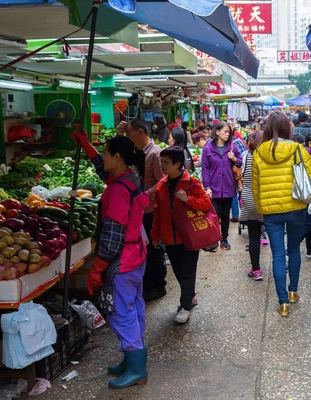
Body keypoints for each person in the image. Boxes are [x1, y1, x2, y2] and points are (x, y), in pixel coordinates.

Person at [70, 132, 149, 389]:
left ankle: (137, 368)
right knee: (134, 306)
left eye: (105, 153)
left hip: (122, 262)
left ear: (117, 157)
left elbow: (112, 238)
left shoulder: (117, 192)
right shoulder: (130, 178)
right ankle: (131, 358)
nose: (102, 158)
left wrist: (96, 270)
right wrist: (87, 146)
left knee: (120, 312)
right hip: (137, 256)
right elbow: (106, 173)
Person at [252, 111, 311, 317]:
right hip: (296, 208)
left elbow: (256, 187)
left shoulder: (258, 152)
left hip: (271, 212)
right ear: (286, 128)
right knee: (293, 251)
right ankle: (293, 292)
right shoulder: (297, 148)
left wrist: (262, 209)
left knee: (278, 255)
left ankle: (283, 303)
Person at [151, 147, 211, 324]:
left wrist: (188, 199)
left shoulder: (191, 182)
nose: (162, 166)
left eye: (166, 162)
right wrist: (155, 235)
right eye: (161, 162)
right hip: (170, 239)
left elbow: (206, 204)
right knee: (178, 271)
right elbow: (158, 212)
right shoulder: (161, 186)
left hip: (189, 237)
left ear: (178, 164)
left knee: (188, 272)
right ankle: (190, 296)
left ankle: (185, 306)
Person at [116, 120, 167, 302]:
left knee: (154, 247)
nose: (129, 139)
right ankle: (148, 284)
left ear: (139, 132)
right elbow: (119, 155)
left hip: (150, 209)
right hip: (139, 210)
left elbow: (163, 181)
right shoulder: (138, 153)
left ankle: (159, 285)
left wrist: (146, 195)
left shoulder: (154, 154)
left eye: (130, 135)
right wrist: (120, 135)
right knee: (144, 249)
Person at [201, 122, 242, 250]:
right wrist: (207, 187)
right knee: (214, 216)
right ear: (217, 132)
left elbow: (241, 161)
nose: (227, 134)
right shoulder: (208, 148)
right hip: (214, 187)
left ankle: (224, 238)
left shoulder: (232, 147)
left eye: (229, 132)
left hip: (228, 187)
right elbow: (205, 169)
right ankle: (213, 240)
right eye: (225, 131)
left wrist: (234, 159)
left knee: (225, 215)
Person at [239, 131, 265, 281]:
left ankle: (256, 270)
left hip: (249, 197)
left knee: (253, 237)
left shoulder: (246, 155)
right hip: (264, 198)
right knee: (273, 235)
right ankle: (280, 265)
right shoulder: (267, 157)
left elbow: (243, 174)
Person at [230, 129, 247, 223]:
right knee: (235, 193)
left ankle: (236, 215)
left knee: (234, 193)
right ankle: (236, 214)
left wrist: (234, 159)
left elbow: (240, 160)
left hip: (236, 171)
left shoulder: (233, 145)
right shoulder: (239, 141)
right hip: (239, 171)